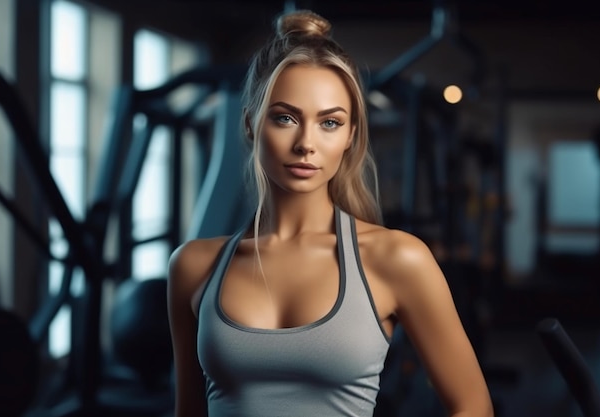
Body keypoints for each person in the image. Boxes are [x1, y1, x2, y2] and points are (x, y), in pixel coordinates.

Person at [167, 9, 493, 417]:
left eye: (329, 123)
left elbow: (473, 405)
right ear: (251, 124)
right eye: (285, 118)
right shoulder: (193, 266)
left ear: (351, 134)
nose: (306, 143)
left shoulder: (397, 259)